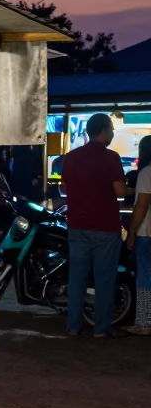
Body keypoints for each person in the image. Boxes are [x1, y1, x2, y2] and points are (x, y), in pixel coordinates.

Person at [59, 114, 127, 338]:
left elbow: (65, 189)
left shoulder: (70, 157)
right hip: (105, 227)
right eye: (112, 130)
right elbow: (119, 192)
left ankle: (73, 327)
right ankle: (101, 329)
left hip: (77, 226)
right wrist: (131, 191)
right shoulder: (111, 158)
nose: (113, 134)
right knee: (104, 279)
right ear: (104, 130)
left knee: (77, 278)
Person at [125, 135, 151, 335]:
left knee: (144, 278)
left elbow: (141, 206)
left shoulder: (146, 173)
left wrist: (132, 232)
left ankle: (144, 322)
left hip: (147, 234)